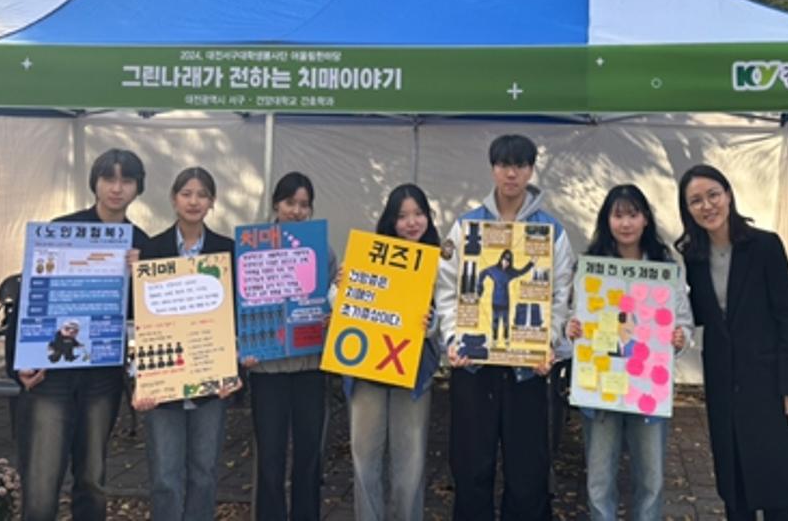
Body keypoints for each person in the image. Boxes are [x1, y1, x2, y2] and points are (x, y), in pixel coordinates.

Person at [435, 134, 574, 521]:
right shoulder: (466, 226)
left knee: (528, 469)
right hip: (474, 365)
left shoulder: (552, 231)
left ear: (531, 170)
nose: (511, 174)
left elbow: (559, 295)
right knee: (470, 465)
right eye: (503, 165)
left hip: (527, 368)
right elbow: (447, 289)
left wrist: (548, 343)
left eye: (520, 165)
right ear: (492, 168)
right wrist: (453, 338)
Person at [8, 148, 149, 521]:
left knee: (92, 478)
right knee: (41, 480)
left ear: (138, 188)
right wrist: (19, 364)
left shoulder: (141, 243)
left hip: (102, 376)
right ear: (95, 182)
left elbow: (148, 315)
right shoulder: (61, 229)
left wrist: (142, 277)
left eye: (126, 180)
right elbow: (29, 298)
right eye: (108, 178)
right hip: (50, 373)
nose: (116, 188)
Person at [676, 164, 788, 520]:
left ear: (728, 195)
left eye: (713, 195)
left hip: (769, 382)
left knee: (777, 485)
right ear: (687, 209)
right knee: (735, 484)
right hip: (724, 382)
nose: (707, 206)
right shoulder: (694, 256)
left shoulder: (765, 246)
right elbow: (699, 311)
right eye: (696, 200)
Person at [566, 184, 694, 520]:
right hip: (601, 386)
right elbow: (574, 318)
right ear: (606, 221)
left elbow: (684, 322)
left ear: (646, 219)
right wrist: (572, 329)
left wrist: (680, 337)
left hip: (647, 386)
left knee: (651, 479)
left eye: (633, 215)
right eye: (618, 215)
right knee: (599, 480)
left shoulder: (666, 268)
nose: (625, 223)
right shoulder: (590, 267)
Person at [132, 166, 241, 521]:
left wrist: (233, 368)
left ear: (212, 202)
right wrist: (139, 378)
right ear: (173, 198)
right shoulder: (150, 250)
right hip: (163, 380)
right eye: (187, 193)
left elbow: (237, 315)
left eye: (202, 195)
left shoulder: (228, 251)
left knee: (204, 472)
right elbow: (138, 320)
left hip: (212, 380)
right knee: (165, 475)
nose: (194, 201)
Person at [243, 171, 336, 521]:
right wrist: (243, 346)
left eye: (304, 205)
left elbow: (334, 300)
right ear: (275, 204)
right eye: (289, 202)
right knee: (270, 456)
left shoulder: (322, 249)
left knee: (310, 455)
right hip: (267, 368)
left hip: (309, 365)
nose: (296, 211)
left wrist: (332, 312)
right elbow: (241, 303)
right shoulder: (252, 246)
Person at [345, 184, 441, 521]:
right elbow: (343, 305)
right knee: (364, 459)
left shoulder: (441, 262)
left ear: (428, 217)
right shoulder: (369, 256)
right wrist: (342, 287)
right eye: (402, 216)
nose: (412, 222)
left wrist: (431, 323)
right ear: (390, 221)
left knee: (410, 464)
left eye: (418, 214)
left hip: (413, 371)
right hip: (367, 369)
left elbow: (451, 318)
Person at [477, 248, 534, 346]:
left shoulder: (510, 272)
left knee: (506, 322)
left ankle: (506, 338)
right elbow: (482, 273)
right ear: (501, 259)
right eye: (504, 260)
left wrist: (531, 263)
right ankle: (494, 339)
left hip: (505, 302)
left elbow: (522, 271)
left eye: (508, 262)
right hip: (495, 302)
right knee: (495, 322)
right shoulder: (493, 270)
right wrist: (480, 288)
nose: (505, 263)